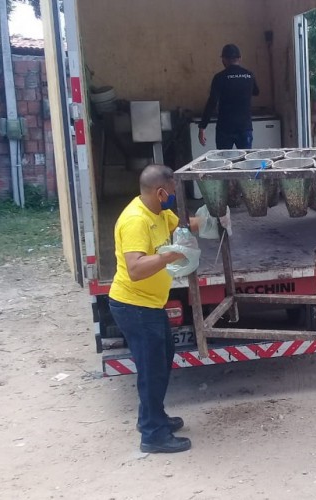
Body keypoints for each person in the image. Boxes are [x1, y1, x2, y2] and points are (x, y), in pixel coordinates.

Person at [108, 164, 201, 454]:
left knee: (161, 363)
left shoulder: (161, 213)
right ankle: (153, 436)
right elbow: (135, 268)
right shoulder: (136, 220)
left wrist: (214, 219)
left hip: (151, 305)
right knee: (151, 370)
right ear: (160, 192)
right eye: (171, 193)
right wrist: (172, 254)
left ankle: (153, 417)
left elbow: (183, 224)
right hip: (133, 305)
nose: (173, 197)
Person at [198, 44, 260, 149]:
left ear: (224, 59)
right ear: (240, 58)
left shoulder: (220, 77)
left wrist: (202, 127)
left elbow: (212, 102)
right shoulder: (249, 75)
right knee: (245, 161)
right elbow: (256, 92)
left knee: (225, 162)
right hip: (245, 127)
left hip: (225, 128)